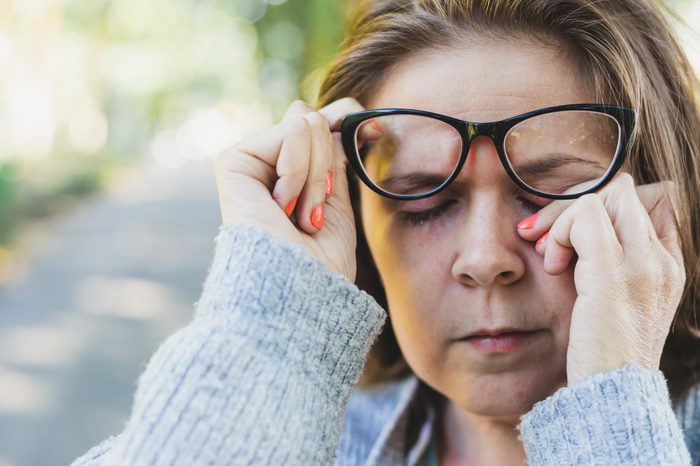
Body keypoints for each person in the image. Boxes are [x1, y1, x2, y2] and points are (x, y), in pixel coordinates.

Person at [73, 0, 700, 464]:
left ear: (662, 205)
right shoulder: (293, 432)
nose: (485, 258)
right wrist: (271, 328)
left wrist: (613, 411)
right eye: (423, 200)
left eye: (552, 191)